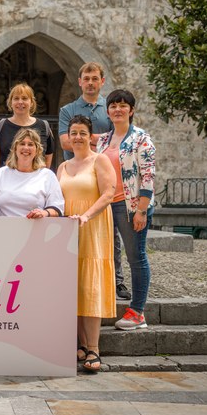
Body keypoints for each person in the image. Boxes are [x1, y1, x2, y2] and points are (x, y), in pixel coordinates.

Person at [59, 62, 127, 301]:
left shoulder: (109, 109)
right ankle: (70, 280)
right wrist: (101, 138)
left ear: (102, 81)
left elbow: (118, 139)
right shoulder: (68, 110)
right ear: (80, 82)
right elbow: (65, 142)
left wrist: (87, 139)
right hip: (76, 179)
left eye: (94, 78)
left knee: (109, 233)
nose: (90, 83)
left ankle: (116, 280)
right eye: (86, 78)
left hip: (104, 174)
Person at [57, 115, 116, 372]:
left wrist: (86, 216)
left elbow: (109, 193)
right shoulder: (62, 166)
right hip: (69, 230)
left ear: (90, 136)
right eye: (74, 133)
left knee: (91, 285)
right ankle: (79, 343)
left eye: (82, 133)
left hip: (92, 227)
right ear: (68, 137)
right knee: (74, 284)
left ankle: (94, 348)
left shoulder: (99, 160)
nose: (78, 137)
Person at [96, 89, 156, 331]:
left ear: (131, 110)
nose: (117, 109)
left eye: (123, 106)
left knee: (136, 257)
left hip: (130, 207)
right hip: (105, 205)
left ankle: (137, 312)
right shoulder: (103, 140)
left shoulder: (141, 138)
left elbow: (148, 176)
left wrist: (142, 210)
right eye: (113, 106)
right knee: (106, 256)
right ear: (107, 111)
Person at [0, 128, 63, 218]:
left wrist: (44, 213)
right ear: (15, 148)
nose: (26, 148)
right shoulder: (0, 174)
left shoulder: (48, 175)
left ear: (37, 150)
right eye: (22, 144)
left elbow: (57, 207)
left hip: (36, 226)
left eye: (31, 144)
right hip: (3, 226)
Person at [0, 83, 55, 168]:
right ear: (10, 102)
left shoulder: (43, 126)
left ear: (31, 102)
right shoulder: (1, 126)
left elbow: (48, 156)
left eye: (24, 98)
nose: (20, 102)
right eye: (16, 98)